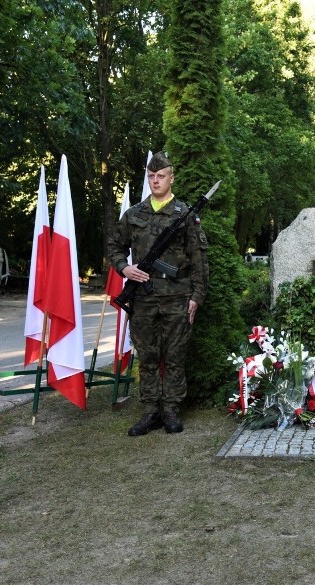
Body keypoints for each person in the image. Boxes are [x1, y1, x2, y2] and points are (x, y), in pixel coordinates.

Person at [107, 152, 209, 436]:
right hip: (143, 297)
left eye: (161, 176)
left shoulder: (185, 215)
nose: (155, 181)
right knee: (148, 355)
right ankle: (150, 411)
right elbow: (114, 247)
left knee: (175, 354)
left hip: (177, 295)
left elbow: (199, 261)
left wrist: (196, 297)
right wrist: (125, 269)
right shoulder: (134, 214)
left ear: (171, 178)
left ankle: (171, 411)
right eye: (151, 177)